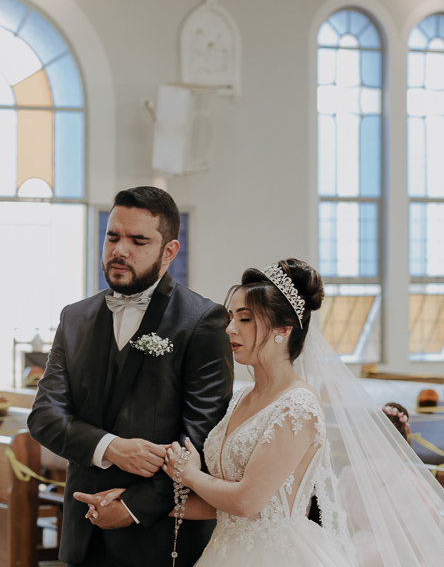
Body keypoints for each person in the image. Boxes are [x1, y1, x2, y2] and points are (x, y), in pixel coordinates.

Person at [164, 259, 444, 566]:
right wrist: (140, 508)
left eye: (244, 319)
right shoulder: (239, 398)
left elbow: (247, 501)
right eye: (230, 317)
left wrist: (188, 474)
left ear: (282, 329)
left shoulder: (298, 406)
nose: (230, 328)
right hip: (223, 550)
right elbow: (222, 502)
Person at [27, 186, 233, 567]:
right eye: (113, 237)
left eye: (138, 240)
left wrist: (133, 507)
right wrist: (110, 447)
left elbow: (202, 440)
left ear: (169, 251)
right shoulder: (75, 317)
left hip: (158, 537)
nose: (120, 250)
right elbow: (44, 417)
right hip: (83, 529)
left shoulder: (202, 321)